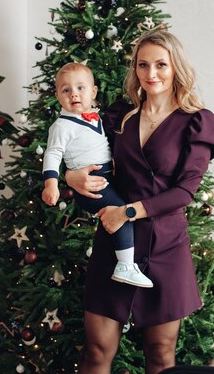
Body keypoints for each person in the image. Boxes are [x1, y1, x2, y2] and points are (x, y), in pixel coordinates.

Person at [65, 30, 214, 374]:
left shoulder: (197, 122)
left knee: (161, 353)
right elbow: (81, 153)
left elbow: (185, 191)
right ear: (134, 69)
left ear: (176, 67)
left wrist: (128, 212)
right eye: (143, 65)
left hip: (166, 246)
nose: (152, 74)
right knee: (96, 350)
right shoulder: (119, 115)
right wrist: (69, 177)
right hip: (116, 243)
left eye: (161, 64)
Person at [41, 62, 153, 288]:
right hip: (92, 182)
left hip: (106, 176)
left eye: (81, 88)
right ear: (57, 96)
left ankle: (126, 263)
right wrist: (51, 184)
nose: (74, 94)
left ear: (93, 92)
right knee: (121, 212)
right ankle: (125, 266)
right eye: (66, 90)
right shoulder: (62, 126)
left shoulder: (95, 117)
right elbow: (53, 154)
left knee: (122, 209)